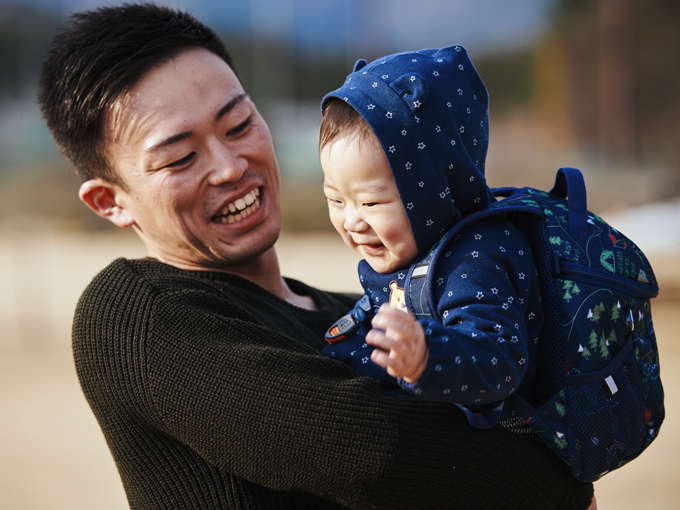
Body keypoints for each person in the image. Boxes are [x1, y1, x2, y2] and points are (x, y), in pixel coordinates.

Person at [37, 4, 595, 509]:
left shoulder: (365, 317)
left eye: (239, 124)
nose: (231, 165)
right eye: (181, 157)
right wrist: (566, 489)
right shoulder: (138, 313)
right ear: (109, 201)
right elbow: (379, 457)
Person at [318, 46, 543, 430]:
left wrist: (426, 357)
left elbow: (500, 360)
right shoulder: (417, 250)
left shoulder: (472, 262)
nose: (352, 220)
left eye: (371, 203)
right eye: (335, 199)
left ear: (438, 190)